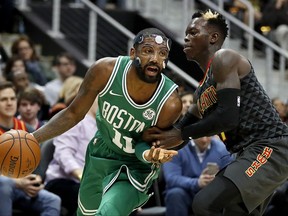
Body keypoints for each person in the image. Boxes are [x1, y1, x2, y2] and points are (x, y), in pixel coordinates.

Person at [142, 9, 288, 216]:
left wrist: (181, 134)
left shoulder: (225, 58)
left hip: (270, 146)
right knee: (233, 210)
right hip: (247, 152)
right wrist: (154, 140)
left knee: (205, 203)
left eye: (193, 32)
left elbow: (227, 117)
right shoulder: (201, 93)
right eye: (186, 33)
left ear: (213, 37)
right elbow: (180, 131)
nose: (186, 37)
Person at [31, 28, 183, 216]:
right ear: (133, 53)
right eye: (148, 50)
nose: (155, 59)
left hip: (135, 166)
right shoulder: (105, 71)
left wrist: (150, 155)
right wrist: (33, 138)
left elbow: (147, 142)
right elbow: (73, 113)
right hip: (101, 154)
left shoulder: (170, 102)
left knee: (108, 212)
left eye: (162, 54)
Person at [0, 81, 61, 216]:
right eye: (3, 99)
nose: (9, 103)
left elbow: (36, 165)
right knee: (4, 184)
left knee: (53, 200)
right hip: (3, 187)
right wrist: (17, 182)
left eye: (12, 99)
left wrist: (35, 181)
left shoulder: (27, 130)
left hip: (22, 189)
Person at [44, 76, 95, 215]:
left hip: (89, 184)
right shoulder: (72, 120)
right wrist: (81, 174)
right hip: (62, 181)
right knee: (89, 198)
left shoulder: (105, 126)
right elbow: (63, 153)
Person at [163, 136, 234, 216]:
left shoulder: (222, 149)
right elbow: (171, 178)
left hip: (211, 193)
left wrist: (217, 181)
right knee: (175, 194)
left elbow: (230, 176)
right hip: (186, 194)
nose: (204, 140)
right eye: (201, 136)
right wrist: (197, 183)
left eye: (208, 135)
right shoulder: (177, 148)